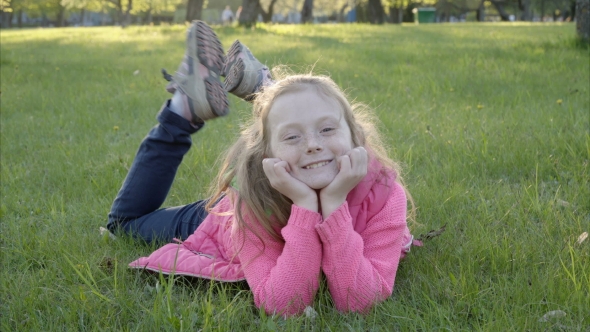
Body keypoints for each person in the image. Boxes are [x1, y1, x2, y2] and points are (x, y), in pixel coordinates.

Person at [107, 21, 417, 316]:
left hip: (280, 186)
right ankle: (183, 111)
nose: (312, 144)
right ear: (265, 156)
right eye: (293, 136)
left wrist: (334, 204)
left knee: (299, 120)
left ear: (358, 139)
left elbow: (360, 301)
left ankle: (267, 90)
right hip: (225, 220)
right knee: (124, 225)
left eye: (327, 130)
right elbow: (284, 305)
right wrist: (306, 205)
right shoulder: (249, 203)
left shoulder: (383, 195)